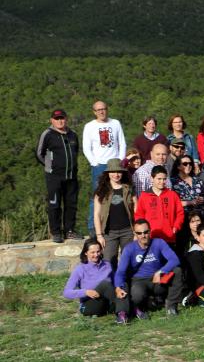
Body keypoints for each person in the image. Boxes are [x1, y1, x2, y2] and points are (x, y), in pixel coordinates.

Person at [113, 220, 184, 320]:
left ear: (150, 231)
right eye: (139, 233)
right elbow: (120, 272)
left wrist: (161, 271)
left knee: (177, 270)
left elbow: (174, 259)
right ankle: (141, 307)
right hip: (139, 281)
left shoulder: (159, 242)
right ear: (135, 234)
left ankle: (171, 306)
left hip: (157, 279)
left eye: (146, 232)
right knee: (137, 296)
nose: (143, 235)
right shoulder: (129, 249)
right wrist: (118, 287)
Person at [81, 101, 127, 234]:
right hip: (99, 165)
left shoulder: (115, 123)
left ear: (107, 109)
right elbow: (86, 147)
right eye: (98, 110)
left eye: (104, 109)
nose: (102, 111)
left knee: (117, 194)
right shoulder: (89, 126)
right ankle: (93, 228)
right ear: (94, 112)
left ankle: (115, 224)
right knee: (98, 195)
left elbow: (122, 143)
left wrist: (120, 161)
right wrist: (94, 162)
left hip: (115, 165)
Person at [37, 109, 81, 243]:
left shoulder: (73, 134)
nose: (60, 121)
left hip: (71, 176)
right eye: (57, 119)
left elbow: (76, 151)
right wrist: (50, 167)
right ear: (52, 120)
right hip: (54, 177)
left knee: (71, 205)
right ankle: (56, 232)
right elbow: (40, 153)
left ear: (66, 119)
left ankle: (69, 231)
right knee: (54, 204)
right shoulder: (48, 134)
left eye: (62, 118)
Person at [64, 239, 123, 319]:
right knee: (104, 284)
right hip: (89, 303)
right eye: (92, 252)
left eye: (98, 251)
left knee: (122, 284)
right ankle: (124, 308)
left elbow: (115, 283)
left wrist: (119, 288)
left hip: (106, 301)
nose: (96, 255)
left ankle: (121, 309)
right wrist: (86, 292)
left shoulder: (107, 265)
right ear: (86, 253)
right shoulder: (80, 269)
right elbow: (67, 292)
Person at [92, 159, 135, 265]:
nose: (116, 174)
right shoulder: (101, 191)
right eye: (113, 171)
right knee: (108, 262)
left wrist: (136, 232)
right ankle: (111, 282)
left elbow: (136, 210)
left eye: (119, 171)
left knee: (129, 261)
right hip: (109, 233)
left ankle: (126, 281)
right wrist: (99, 235)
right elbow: (96, 215)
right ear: (108, 173)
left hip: (128, 231)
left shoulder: (129, 189)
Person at [134, 165, 184, 246]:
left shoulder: (172, 195)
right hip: (151, 237)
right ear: (152, 178)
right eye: (159, 179)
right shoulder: (144, 196)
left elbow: (180, 213)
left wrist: (176, 227)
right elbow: (139, 216)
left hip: (169, 237)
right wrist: (142, 232)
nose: (162, 182)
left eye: (164, 179)